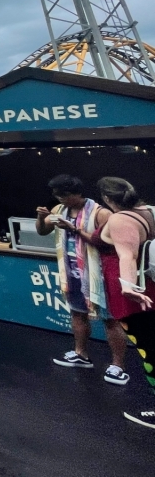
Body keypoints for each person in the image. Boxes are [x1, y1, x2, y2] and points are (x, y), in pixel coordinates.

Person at [36, 174, 129, 384]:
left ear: (77, 193)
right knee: (77, 314)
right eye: (57, 195)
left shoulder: (101, 213)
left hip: (99, 274)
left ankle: (118, 365)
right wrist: (42, 218)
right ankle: (81, 354)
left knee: (110, 319)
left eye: (64, 195)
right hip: (71, 273)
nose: (60, 198)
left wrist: (74, 230)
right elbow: (43, 232)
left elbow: (112, 245)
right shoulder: (59, 210)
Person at [94, 177, 155, 429]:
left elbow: (127, 256)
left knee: (149, 350)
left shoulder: (120, 219)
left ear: (107, 199)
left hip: (135, 296)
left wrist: (128, 287)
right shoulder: (150, 211)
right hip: (149, 288)